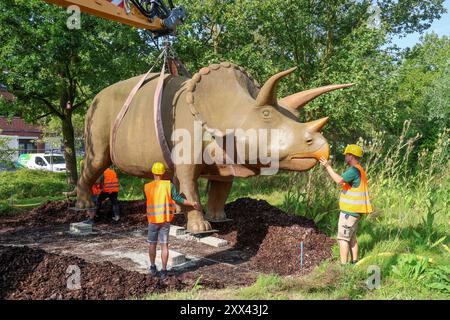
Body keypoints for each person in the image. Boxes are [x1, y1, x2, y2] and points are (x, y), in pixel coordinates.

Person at [145, 162, 201, 279]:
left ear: (153, 173)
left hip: (153, 221)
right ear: (163, 173)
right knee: (164, 246)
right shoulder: (169, 186)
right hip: (165, 221)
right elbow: (178, 199)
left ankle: (152, 267)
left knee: (152, 244)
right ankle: (164, 271)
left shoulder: (147, 187)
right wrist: (192, 203)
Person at [319, 144, 373, 265]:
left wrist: (328, 166)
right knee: (352, 238)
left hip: (350, 212)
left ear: (351, 156)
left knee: (343, 238)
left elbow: (339, 180)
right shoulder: (359, 169)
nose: (345, 157)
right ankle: (355, 262)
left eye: (347, 155)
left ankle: (343, 267)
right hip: (356, 212)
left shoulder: (354, 170)